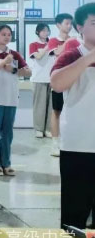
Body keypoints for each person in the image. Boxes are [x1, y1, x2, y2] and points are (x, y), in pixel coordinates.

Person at [50, 2, 95, 230]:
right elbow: (57, 84)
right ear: (80, 28)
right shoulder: (71, 55)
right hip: (78, 146)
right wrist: (89, 58)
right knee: (74, 215)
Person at [0, 25, 31, 177]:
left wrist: (13, 69)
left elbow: (28, 72)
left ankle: (6, 162)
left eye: (9, 34)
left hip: (10, 98)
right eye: (3, 34)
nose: (7, 37)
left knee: (7, 133)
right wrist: (4, 62)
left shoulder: (14, 54)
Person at [48, 13, 74, 157]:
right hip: (58, 80)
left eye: (71, 23)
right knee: (56, 111)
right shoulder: (53, 40)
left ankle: (68, 140)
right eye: (66, 23)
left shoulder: (75, 40)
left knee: (71, 110)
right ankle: (55, 143)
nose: (69, 26)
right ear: (58, 25)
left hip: (72, 81)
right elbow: (57, 52)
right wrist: (68, 42)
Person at [29, 23, 53, 139]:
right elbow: (38, 57)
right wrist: (47, 47)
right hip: (39, 78)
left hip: (52, 78)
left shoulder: (53, 45)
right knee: (39, 105)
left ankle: (48, 129)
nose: (45, 33)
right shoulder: (33, 44)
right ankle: (39, 129)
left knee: (51, 106)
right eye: (43, 31)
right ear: (38, 32)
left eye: (47, 30)